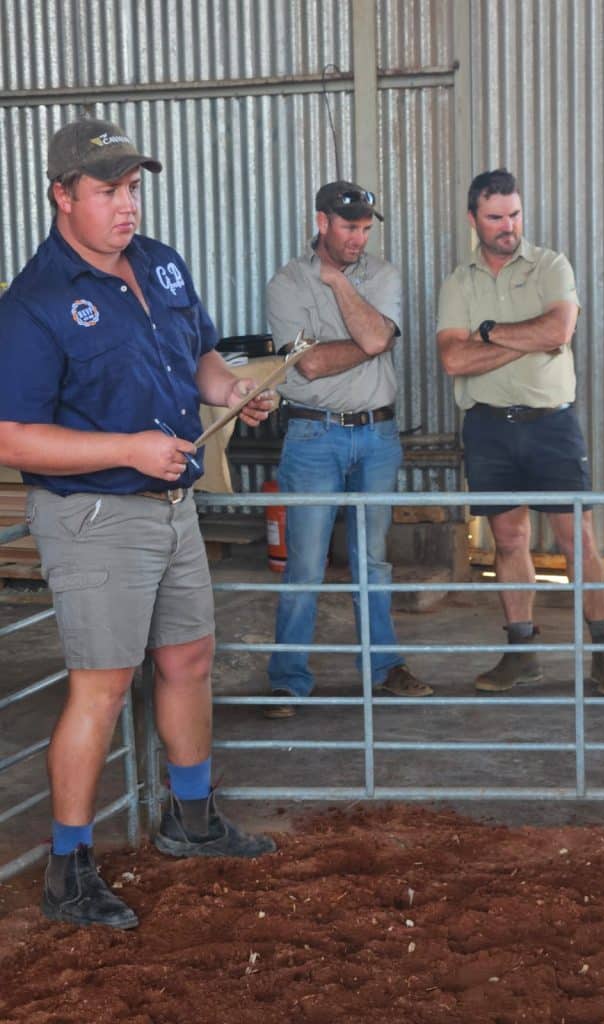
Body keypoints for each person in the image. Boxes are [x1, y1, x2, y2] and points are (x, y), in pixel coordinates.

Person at [0, 118, 278, 930]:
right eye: (107, 191)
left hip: (171, 504)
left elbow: (200, 353)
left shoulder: (160, 262)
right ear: (60, 195)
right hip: (94, 514)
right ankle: (68, 866)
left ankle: (189, 819)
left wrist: (229, 390)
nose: (127, 207)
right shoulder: (35, 304)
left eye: (133, 188)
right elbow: (11, 434)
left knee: (189, 658)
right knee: (104, 682)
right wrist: (127, 446)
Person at [436, 169, 604, 697]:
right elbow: (454, 359)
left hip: (551, 424)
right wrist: (527, 339)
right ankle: (521, 651)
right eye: (496, 217)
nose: (508, 226)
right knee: (509, 538)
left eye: (515, 214)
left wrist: (491, 335)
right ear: (473, 218)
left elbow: (559, 330)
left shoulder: (550, 266)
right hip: (488, 429)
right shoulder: (459, 282)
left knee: (577, 538)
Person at [264, 180, 434, 717]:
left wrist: (338, 284)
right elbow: (307, 364)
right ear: (321, 223)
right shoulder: (286, 284)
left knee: (373, 562)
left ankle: (384, 668)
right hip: (313, 434)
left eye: (364, 228)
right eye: (347, 227)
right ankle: (289, 679)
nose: (358, 237)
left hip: (378, 435)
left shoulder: (382, 274)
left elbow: (378, 340)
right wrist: (366, 337)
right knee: (306, 564)